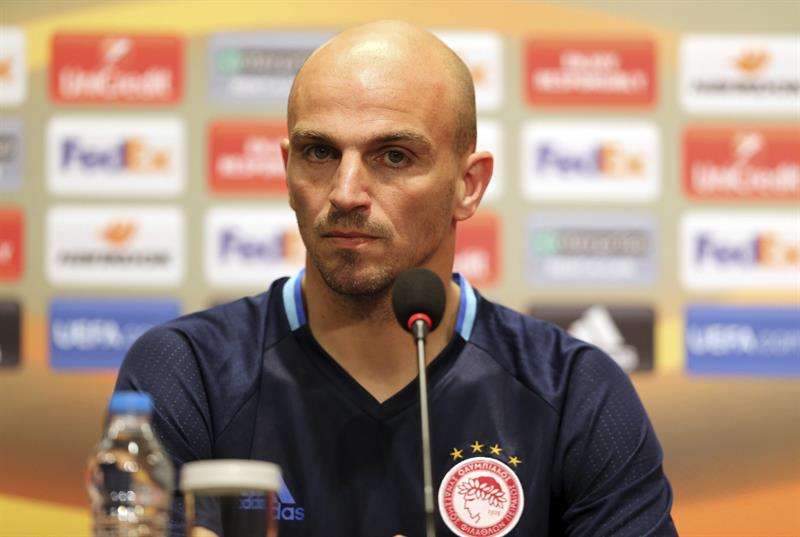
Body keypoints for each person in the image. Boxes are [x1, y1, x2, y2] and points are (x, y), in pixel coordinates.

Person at [115, 20, 677, 537]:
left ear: (468, 186)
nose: (345, 193)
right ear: (287, 170)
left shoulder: (574, 393)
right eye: (319, 152)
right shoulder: (189, 371)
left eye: (394, 157)